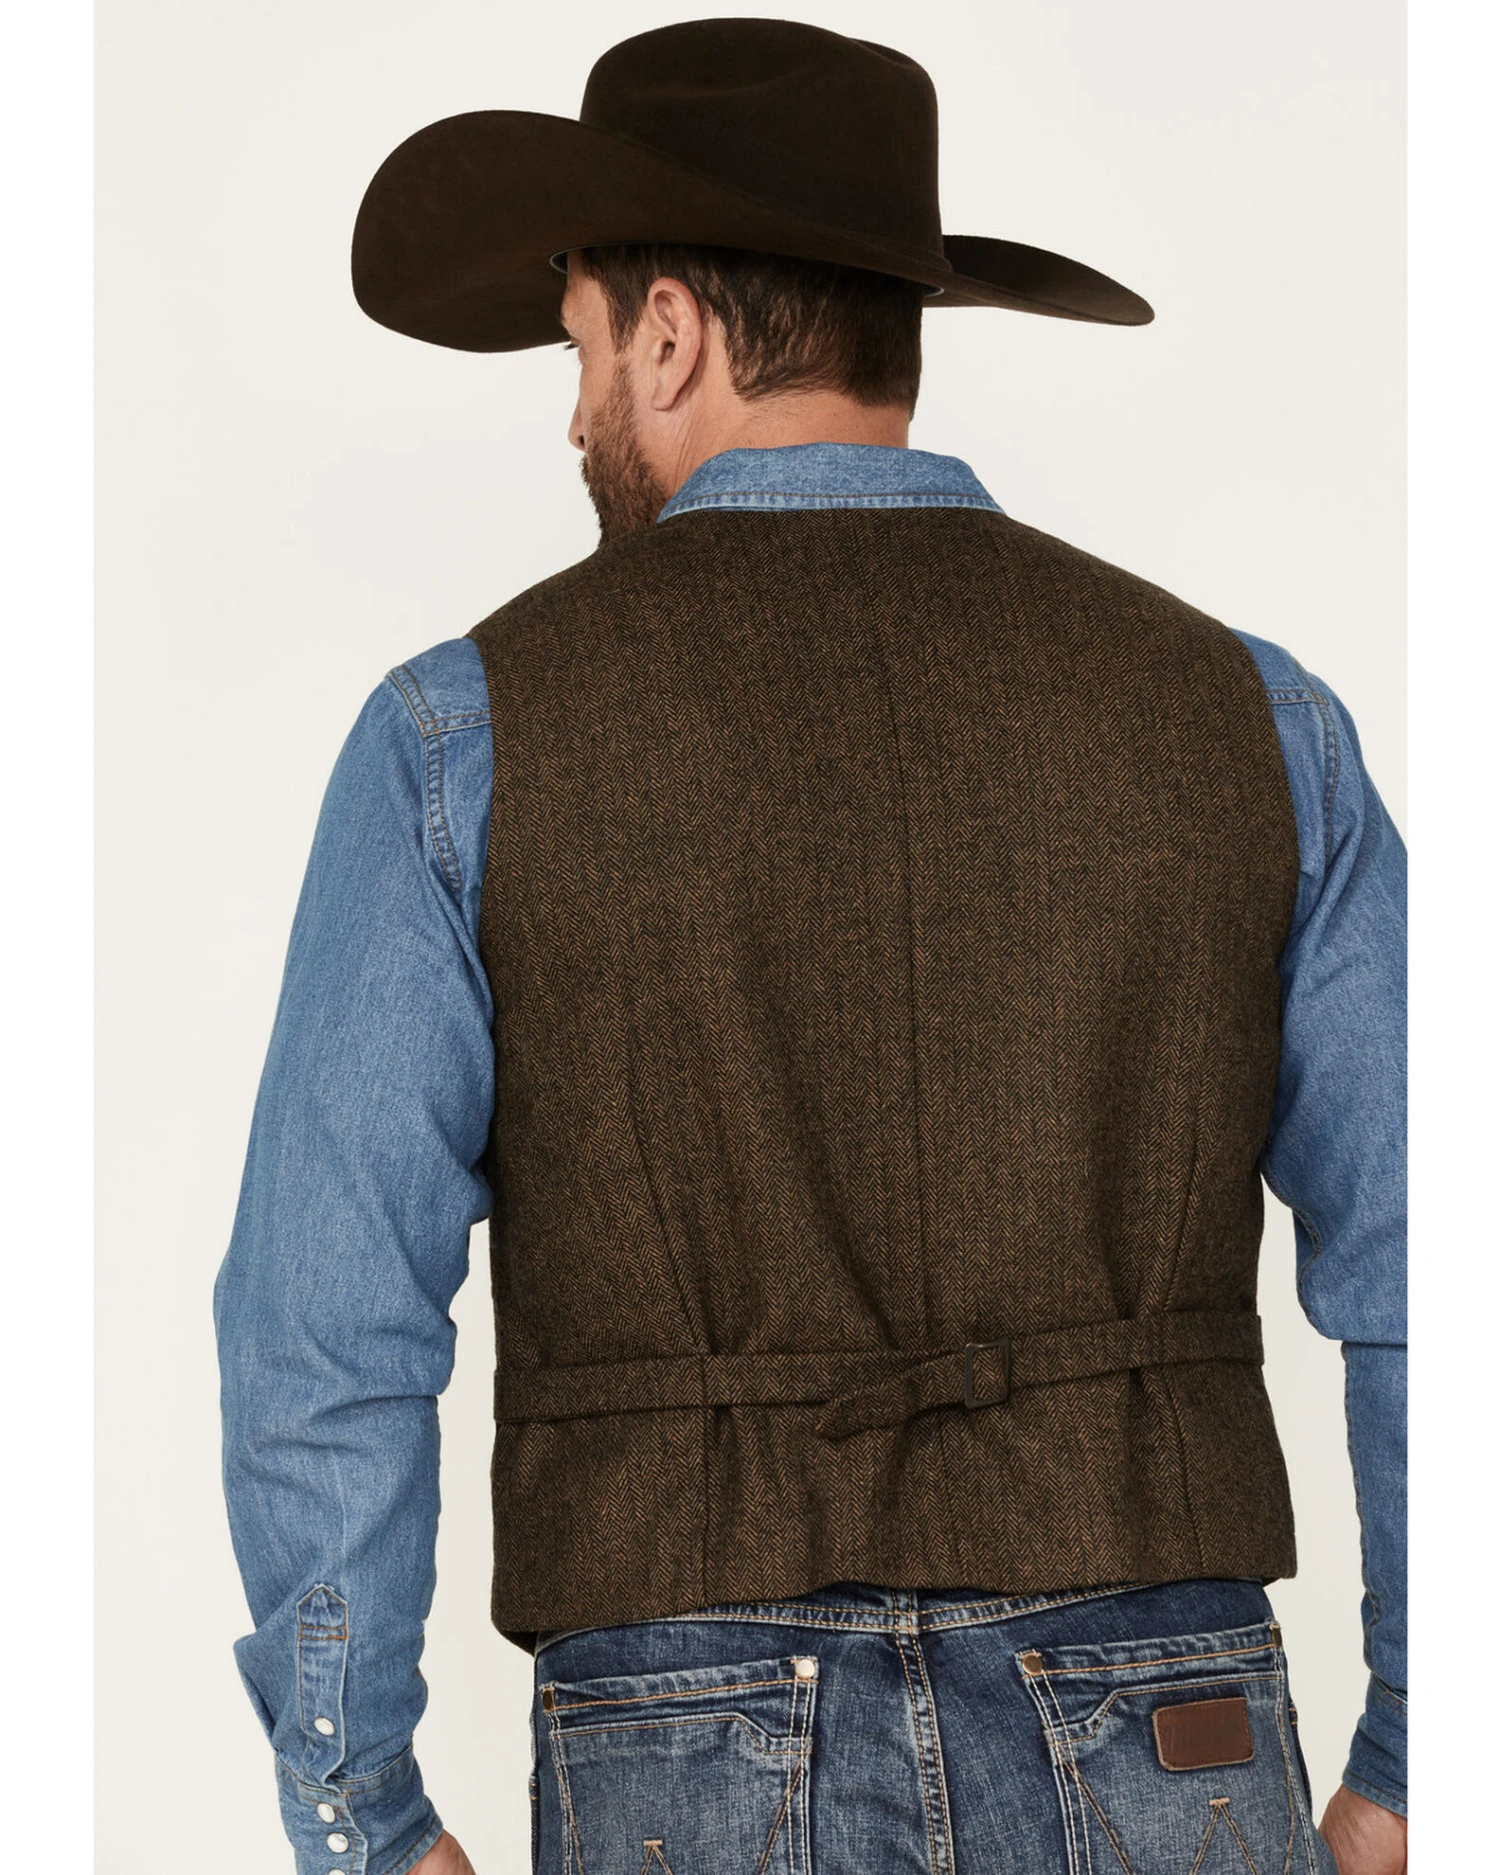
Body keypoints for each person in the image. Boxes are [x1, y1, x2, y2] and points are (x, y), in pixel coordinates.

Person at [212, 19, 1406, 1875]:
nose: (575, 412)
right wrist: (1418, 1749)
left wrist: (359, 1817)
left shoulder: (464, 739)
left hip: (682, 1744)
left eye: (579, 346)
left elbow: (319, 1333)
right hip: (1162, 1722)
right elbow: (1443, 1255)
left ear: (669, 333)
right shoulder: (1250, 719)